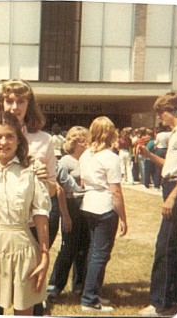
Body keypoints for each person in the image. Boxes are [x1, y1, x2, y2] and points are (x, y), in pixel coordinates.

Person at [0, 79, 57, 315]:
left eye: (21, 101)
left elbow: (52, 190)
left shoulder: (44, 140)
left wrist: (44, 180)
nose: (15, 107)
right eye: (9, 101)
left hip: (30, 229)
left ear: (30, 104)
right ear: (1, 103)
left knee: (26, 297)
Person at [138, 91, 177, 317]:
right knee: (170, 245)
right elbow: (170, 165)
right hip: (172, 185)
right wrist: (149, 155)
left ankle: (162, 304)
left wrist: (173, 196)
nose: (160, 118)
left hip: (176, 191)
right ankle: (170, 299)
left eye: (161, 112)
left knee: (166, 247)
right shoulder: (175, 134)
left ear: (172, 110)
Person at [79, 116, 128, 313]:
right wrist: (123, 217)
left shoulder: (85, 155)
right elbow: (115, 191)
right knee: (100, 254)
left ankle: (91, 292)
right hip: (105, 206)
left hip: (88, 203)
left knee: (94, 252)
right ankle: (89, 299)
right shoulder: (110, 157)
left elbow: (83, 182)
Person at [47, 126, 90, 300]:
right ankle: (55, 285)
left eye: (86, 139)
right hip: (71, 204)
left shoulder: (89, 159)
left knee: (84, 247)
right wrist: (65, 215)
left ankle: (79, 284)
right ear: (72, 142)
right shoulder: (65, 161)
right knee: (69, 247)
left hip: (87, 205)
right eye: (81, 140)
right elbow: (61, 190)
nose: (85, 143)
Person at [152, 123, 171, 190]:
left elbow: (155, 143)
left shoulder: (159, 135)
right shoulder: (170, 134)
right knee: (166, 167)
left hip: (160, 150)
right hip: (167, 150)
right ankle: (165, 184)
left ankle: (157, 185)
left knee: (158, 168)